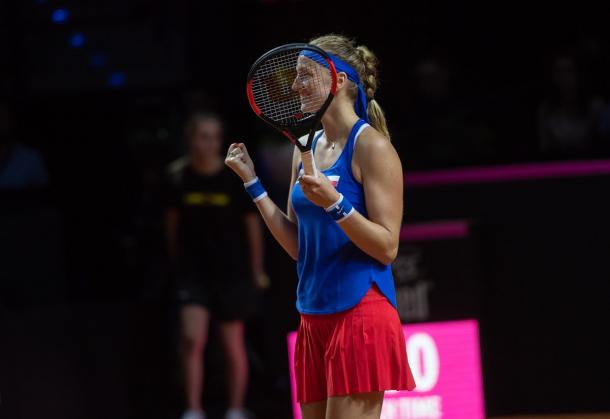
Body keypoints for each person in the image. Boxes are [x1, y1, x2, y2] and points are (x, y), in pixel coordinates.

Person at [225, 34, 415, 419]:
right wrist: (254, 185)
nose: (295, 86)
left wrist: (335, 202)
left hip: (360, 312)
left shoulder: (372, 147)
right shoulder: (305, 147)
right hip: (312, 316)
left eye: (304, 75)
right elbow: (299, 247)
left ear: (338, 80)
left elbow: (387, 247)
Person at [165, 112, 266, 419]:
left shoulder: (232, 177)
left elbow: (253, 228)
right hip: (193, 273)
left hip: (231, 272)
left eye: (214, 137)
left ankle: (235, 409)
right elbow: (171, 227)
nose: (209, 144)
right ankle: (193, 409)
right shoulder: (177, 177)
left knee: (232, 343)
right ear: (190, 139)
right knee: (193, 338)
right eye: (202, 136)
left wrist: (256, 270)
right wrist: (176, 267)